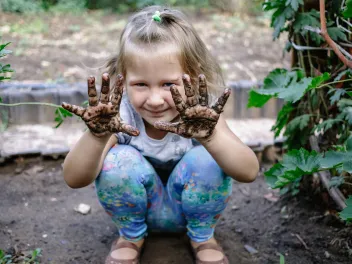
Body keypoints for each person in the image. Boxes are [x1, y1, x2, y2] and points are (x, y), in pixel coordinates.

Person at [62, 5, 259, 264]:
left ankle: (202, 237)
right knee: (117, 159)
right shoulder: (120, 115)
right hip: (140, 213)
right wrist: (97, 137)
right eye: (141, 84)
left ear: (192, 76)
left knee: (207, 157)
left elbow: (249, 171)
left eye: (168, 84)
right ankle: (131, 237)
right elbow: (74, 178)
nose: (155, 100)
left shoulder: (201, 114)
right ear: (122, 79)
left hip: (190, 211)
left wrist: (210, 138)